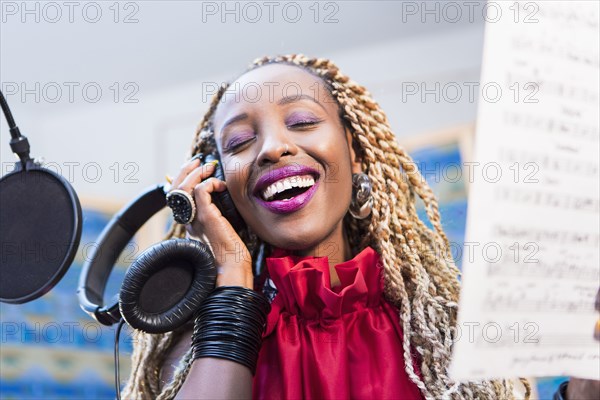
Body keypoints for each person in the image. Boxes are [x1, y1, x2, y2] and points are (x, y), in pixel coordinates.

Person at [121, 54, 596, 399]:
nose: (272, 148)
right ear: (217, 181)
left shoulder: (445, 334)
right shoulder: (199, 350)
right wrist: (231, 272)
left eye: (303, 121)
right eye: (241, 141)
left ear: (355, 151)